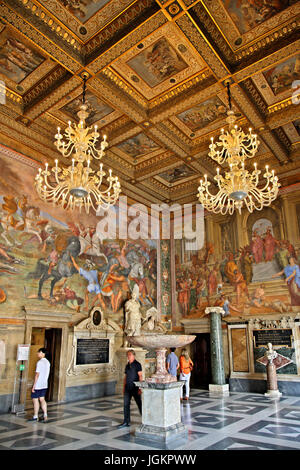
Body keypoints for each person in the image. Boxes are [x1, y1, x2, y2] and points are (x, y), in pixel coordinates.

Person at [118, 349, 143, 428]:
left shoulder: (137, 364)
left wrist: (140, 388)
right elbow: (126, 376)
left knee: (139, 404)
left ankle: (145, 420)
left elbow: (140, 376)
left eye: (130, 355)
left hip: (135, 388)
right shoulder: (127, 365)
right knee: (126, 405)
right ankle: (126, 421)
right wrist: (123, 386)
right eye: (127, 355)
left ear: (133, 355)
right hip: (127, 388)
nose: (128, 356)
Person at [28, 348, 50, 422]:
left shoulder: (40, 362)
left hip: (38, 384)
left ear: (43, 353)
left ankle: (35, 416)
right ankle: (45, 415)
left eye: (39, 352)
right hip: (44, 384)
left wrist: (34, 386)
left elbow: (37, 374)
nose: (37, 353)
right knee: (42, 399)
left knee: (35, 400)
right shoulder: (47, 362)